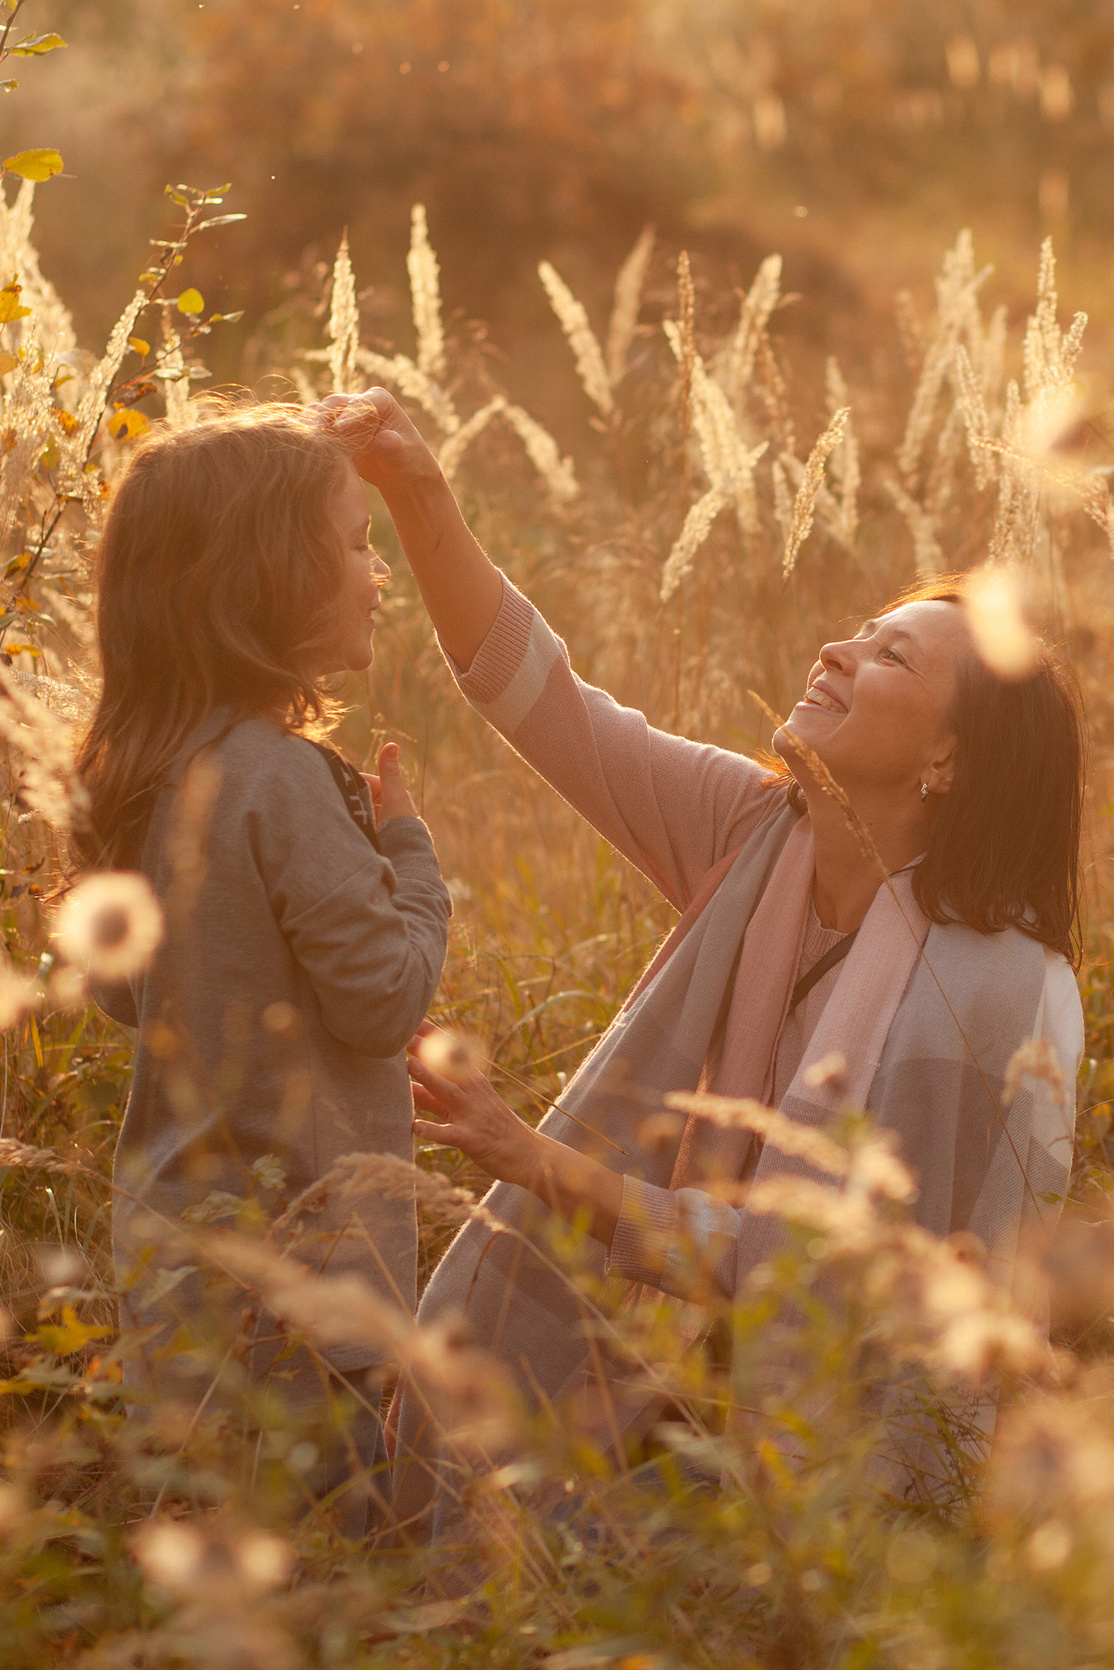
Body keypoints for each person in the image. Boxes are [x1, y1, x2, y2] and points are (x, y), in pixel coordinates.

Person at [322, 386, 1084, 1540]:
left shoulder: (988, 990)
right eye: (860, 627)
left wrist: (536, 1160)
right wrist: (416, 491)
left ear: (945, 761)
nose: (834, 648)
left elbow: (835, 1281)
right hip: (685, 1374)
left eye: (887, 654)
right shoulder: (754, 831)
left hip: (850, 1471)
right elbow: (546, 700)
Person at [73, 406, 451, 1535]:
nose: (377, 572)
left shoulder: (136, 777)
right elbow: (383, 996)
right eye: (351, 541)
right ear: (266, 578)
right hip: (312, 1283)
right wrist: (412, 860)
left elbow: (115, 992)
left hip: (175, 1268)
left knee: (218, 1568)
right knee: (340, 1571)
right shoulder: (281, 781)